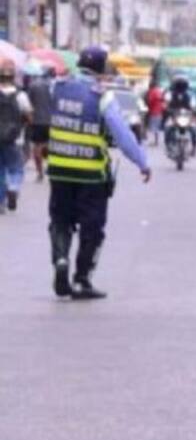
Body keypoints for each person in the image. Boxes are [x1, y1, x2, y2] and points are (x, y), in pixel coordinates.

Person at [46, 45, 151, 300]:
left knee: (60, 220)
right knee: (92, 227)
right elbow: (123, 136)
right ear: (101, 70)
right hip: (91, 175)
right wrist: (142, 162)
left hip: (59, 171)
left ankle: (61, 259)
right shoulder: (102, 97)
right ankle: (82, 279)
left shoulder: (56, 88)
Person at [0, 58, 34, 213]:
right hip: (15, 138)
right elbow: (29, 116)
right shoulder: (20, 95)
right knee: (16, 168)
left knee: (0, 170)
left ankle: (1, 203)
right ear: (13, 78)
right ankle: (13, 188)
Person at [24, 66, 54, 180]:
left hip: (36, 121)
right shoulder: (53, 86)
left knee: (37, 146)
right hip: (50, 121)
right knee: (47, 145)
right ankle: (48, 167)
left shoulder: (33, 85)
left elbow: (28, 103)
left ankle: (39, 172)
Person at [165, 75, 196, 155]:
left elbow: (194, 105)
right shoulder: (170, 94)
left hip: (186, 117)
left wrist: (194, 110)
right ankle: (168, 146)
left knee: (194, 131)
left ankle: (194, 148)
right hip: (174, 116)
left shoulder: (190, 95)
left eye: (182, 85)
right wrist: (167, 109)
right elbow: (166, 103)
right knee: (168, 129)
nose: (180, 87)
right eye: (179, 85)